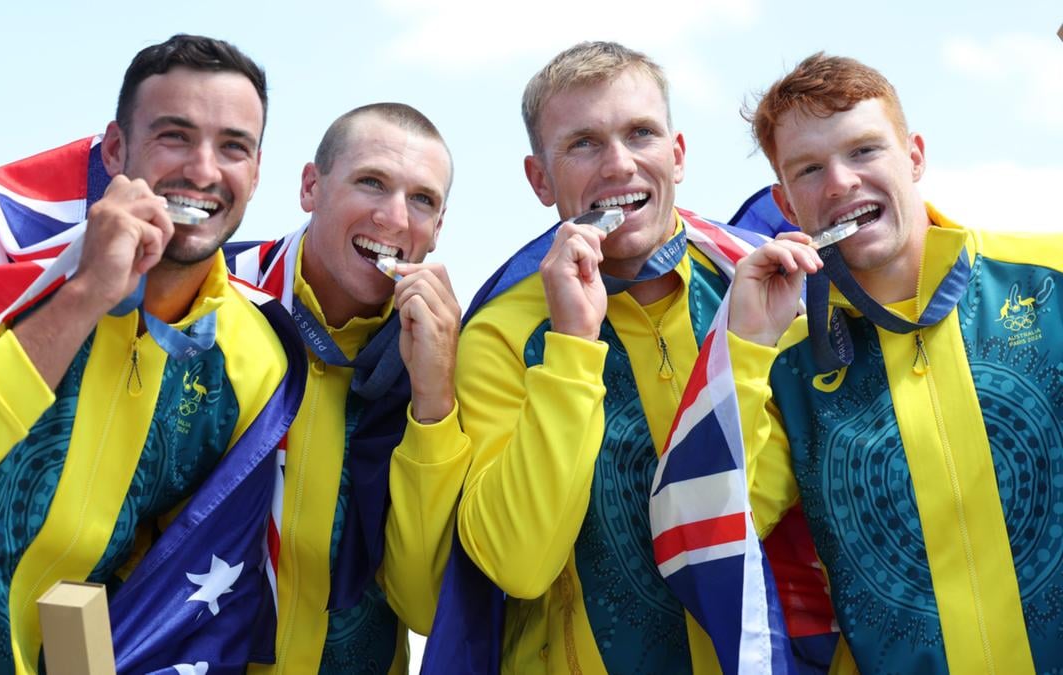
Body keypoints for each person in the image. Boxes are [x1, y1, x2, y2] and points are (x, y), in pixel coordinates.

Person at [0, 34, 300, 672]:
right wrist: (88, 295)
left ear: (257, 173)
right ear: (116, 149)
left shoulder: (256, 357)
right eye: (174, 136)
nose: (204, 171)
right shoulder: (8, 264)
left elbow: (184, 586)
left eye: (233, 146)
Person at [728, 52, 1063, 673]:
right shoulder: (784, 364)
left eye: (863, 151)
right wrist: (744, 347)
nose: (841, 183)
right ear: (785, 202)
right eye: (809, 169)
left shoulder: (1053, 277)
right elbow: (716, 528)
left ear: (914, 156)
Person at [449, 41, 774, 673]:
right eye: (583, 144)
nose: (620, 165)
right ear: (540, 178)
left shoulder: (758, 290)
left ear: (677, 157)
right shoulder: (498, 333)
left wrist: (750, 348)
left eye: (641, 134)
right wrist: (571, 343)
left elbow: (775, 516)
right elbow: (519, 562)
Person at [226, 102, 471, 673]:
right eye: (371, 182)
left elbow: (426, 604)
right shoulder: (213, 303)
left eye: (422, 200)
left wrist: (434, 400)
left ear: (437, 230)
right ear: (311, 186)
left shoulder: (449, 352)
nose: (393, 217)